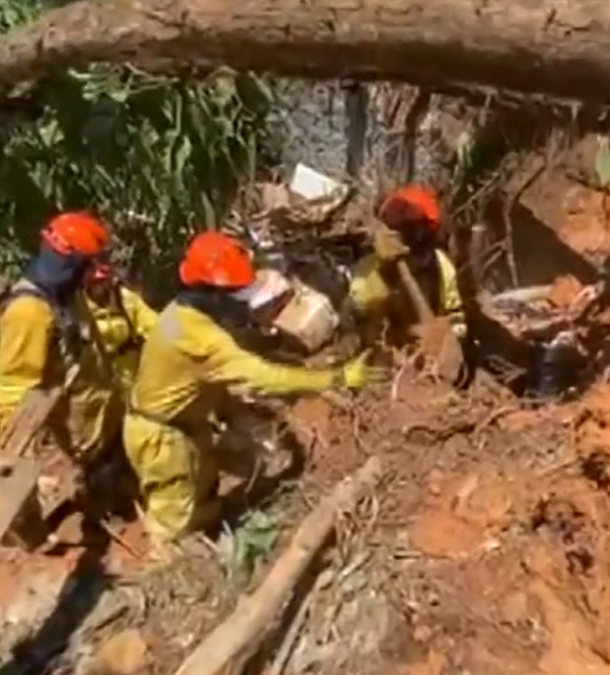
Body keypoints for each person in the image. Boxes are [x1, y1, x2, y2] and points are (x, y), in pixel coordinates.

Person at [123, 231, 387, 558]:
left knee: (202, 494)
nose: (238, 299)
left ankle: (203, 536)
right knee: (172, 523)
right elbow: (264, 378)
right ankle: (173, 579)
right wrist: (336, 378)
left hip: (180, 427)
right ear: (212, 291)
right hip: (162, 439)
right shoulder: (201, 338)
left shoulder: (182, 312)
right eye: (233, 292)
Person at [0, 212, 112, 434]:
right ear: (72, 264)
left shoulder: (68, 296)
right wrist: (25, 444)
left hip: (94, 422)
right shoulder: (29, 311)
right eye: (89, 265)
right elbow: (12, 390)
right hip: (66, 440)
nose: (94, 272)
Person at [67, 252, 158, 462]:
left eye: (104, 279)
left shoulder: (125, 299)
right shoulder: (76, 307)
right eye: (95, 279)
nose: (101, 285)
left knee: (138, 427)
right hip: (97, 383)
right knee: (98, 438)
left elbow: (153, 325)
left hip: (130, 375)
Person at [348, 185, 466, 346]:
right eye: (404, 229)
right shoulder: (370, 267)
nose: (411, 236)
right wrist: (386, 274)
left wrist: (450, 334)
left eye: (416, 230)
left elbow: (457, 315)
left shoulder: (441, 264)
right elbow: (358, 313)